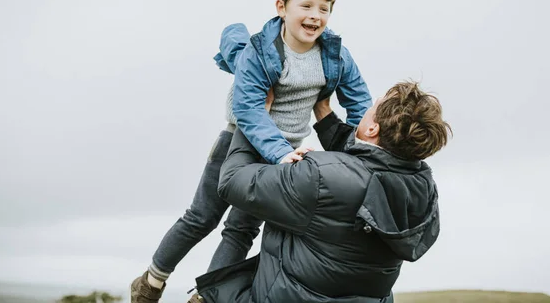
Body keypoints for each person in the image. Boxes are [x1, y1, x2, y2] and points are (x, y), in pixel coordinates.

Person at [129, 0, 372, 303]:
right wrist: (278, 152)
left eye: (324, 9)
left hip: (285, 152)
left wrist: (360, 149)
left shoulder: (335, 55)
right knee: (202, 217)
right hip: (238, 142)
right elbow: (249, 109)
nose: (316, 16)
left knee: (242, 229)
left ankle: (206, 297)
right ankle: (150, 282)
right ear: (281, 7)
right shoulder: (260, 52)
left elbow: (360, 102)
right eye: (306, 6)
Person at [189, 81, 452, 303]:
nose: (367, 109)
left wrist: (255, 118)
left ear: (373, 129)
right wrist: (323, 111)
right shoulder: (422, 189)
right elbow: (364, 167)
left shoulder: (318, 176)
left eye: (372, 107)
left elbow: (232, 180)